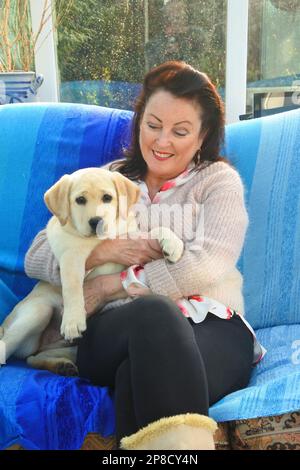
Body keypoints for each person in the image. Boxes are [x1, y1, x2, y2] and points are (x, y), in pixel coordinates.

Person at [25, 61, 263, 450]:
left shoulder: (218, 182)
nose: (161, 141)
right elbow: (37, 255)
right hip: (117, 330)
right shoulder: (109, 179)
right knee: (154, 313)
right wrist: (108, 249)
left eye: (180, 131)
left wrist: (113, 284)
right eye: (152, 125)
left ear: (202, 137)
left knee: (137, 376)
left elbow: (209, 261)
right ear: (139, 125)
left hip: (213, 325)